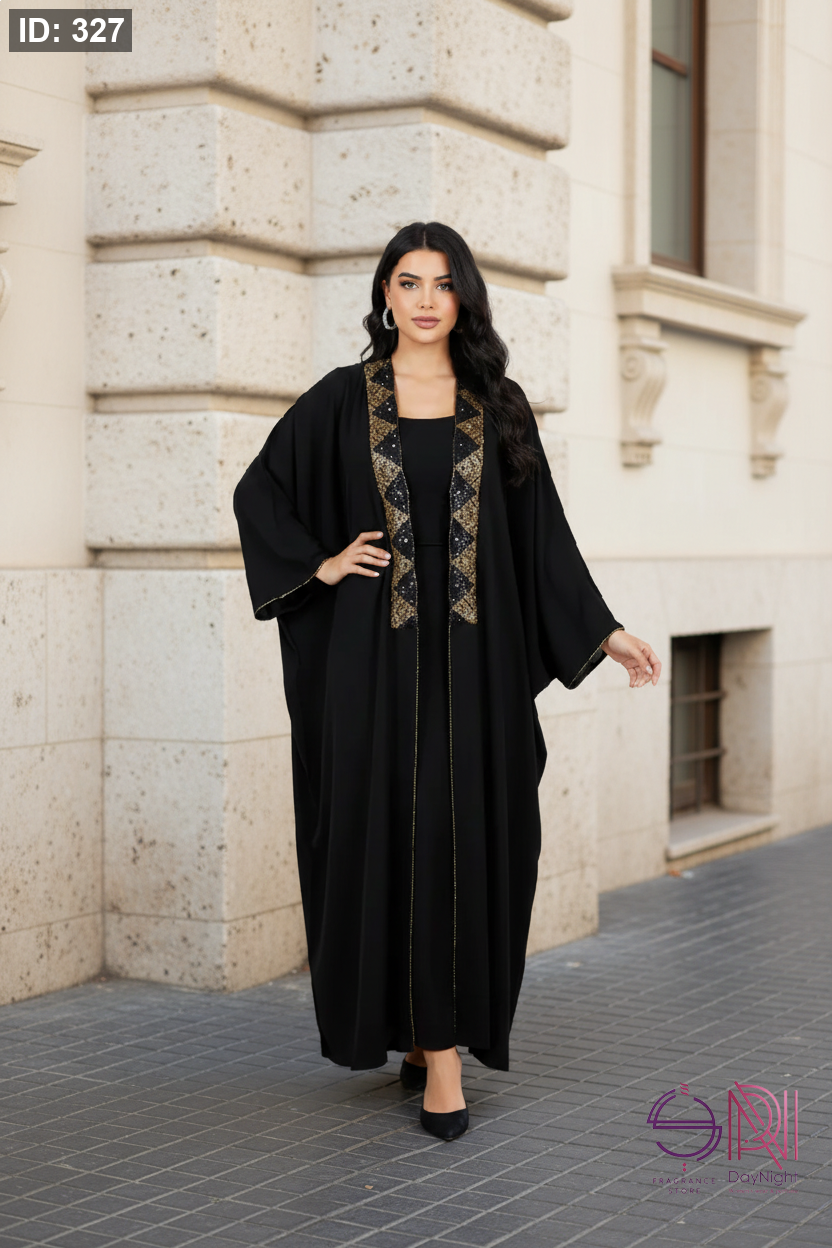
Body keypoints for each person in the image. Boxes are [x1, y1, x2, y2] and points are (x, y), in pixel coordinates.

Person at [233, 221, 661, 1141]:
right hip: (372, 664)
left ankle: (440, 1041)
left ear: (463, 296)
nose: (426, 300)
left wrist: (603, 630)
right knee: (388, 834)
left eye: (442, 283)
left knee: (463, 835)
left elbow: (542, 536)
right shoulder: (342, 400)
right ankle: (430, 1047)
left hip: (476, 665)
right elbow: (259, 490)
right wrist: (321, 564)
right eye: (408, 282)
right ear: (385, 295)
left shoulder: (496, 404)